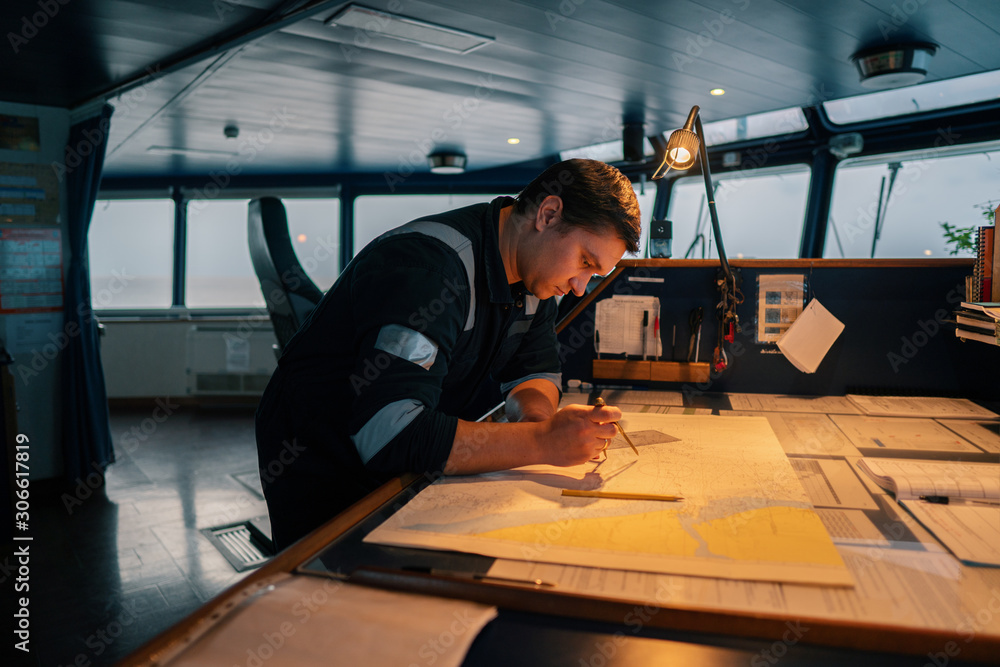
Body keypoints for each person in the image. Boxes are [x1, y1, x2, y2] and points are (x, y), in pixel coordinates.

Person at [255, 158, 642, 549]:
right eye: (585, 261)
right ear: (548, 214)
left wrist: (539, 425)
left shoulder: (536, 275)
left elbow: (534, 370)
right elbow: (391, 434)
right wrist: (542, 442)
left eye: (594, 274)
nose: (579, 287)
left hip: (406, 461)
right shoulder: (430, 271)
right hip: (323, 462)